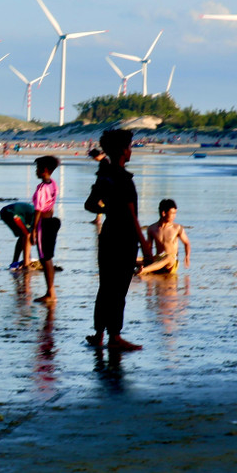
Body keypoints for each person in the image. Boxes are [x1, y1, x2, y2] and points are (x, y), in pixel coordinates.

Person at [86, 129, 151, 351]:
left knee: (105, 286)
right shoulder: (123, 178)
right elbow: (132, 217)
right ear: (123, 150)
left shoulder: (104, 176)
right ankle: (115, 336)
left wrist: (108, 208)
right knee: (119, 289)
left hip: (107, 236)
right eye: (130, 147)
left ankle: (99, 334)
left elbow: (90, 205)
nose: (130, 150)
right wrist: (145, 247)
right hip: (124, 238)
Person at [31, 157, 61, 304]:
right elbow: (51, 205)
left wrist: (33, 230)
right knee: (47, 258)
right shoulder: (54, 184)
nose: (36, 171)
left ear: (45, 170)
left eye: (38, 169)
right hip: (52, 221)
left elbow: (38, 210)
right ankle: (51, 292)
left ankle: (50, 292)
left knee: (45, 258)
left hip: (43, 223)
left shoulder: (42, 188)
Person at [137, 198, 192, 276]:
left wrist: (187, 256)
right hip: (157, 259)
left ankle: (144, 270)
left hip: (171, 261)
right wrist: (147, 259)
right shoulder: (152, 229)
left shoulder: (177, 228)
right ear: (163, 213)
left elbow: (187, 243)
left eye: (175, 213)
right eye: (172, 213)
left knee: (168, 257)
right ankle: (144, 269)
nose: (174, 216)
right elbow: (149, 248)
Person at [0, 201, 36, 269]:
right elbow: (29, 237)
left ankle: (15, 262)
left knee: (23, 235)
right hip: (12, 213)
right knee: (27, 235)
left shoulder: (34, 215)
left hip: (4, 212)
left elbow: (26, 240)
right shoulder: (37, 220)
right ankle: (26, 263)